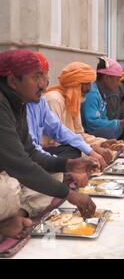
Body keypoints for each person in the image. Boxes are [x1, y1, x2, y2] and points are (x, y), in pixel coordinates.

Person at [0, 50, 97, 239]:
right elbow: (21, 165)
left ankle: (16, 216)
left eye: (44, 76)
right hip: (9, 175)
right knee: (8, 189)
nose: (44, 84)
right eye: (37, 77)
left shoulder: (18, 103)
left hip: (12, 171)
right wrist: (70, 195)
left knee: (55, 174)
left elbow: (30, 152)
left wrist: (68, 164)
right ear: (13, 81)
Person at [45, 62, 118, 165]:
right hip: (50, 152)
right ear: (75, 84)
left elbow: (79, 134)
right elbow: (53, 141)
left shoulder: (74, 100)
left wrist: (101, 143)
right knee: (75, 152)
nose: (89, 89)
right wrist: (91, 150)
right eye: (86, 84)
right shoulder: (54, 99)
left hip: (68, 148)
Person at [81, 57, 124, 146]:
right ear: (107, 78)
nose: (119, 84)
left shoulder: (103, 93)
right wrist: (120, 123)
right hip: (90, 140)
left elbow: (104, 119)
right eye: (117, 80)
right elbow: (92, 123)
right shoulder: (92, 94)